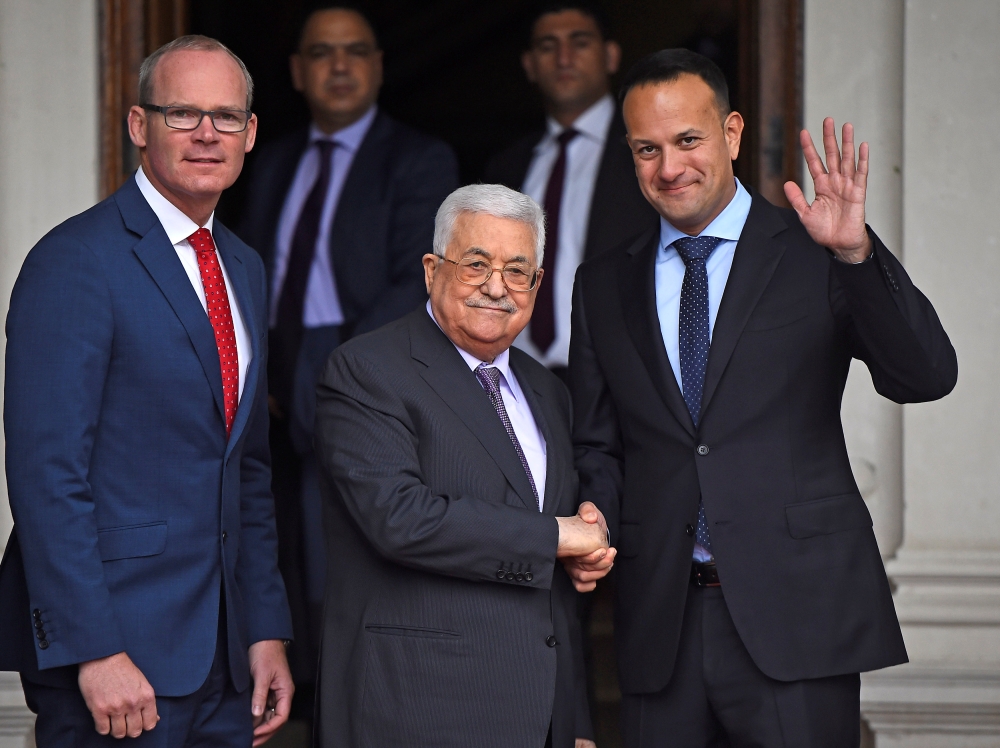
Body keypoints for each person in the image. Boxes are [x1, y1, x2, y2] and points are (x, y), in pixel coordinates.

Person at [569, 49, 957, 746]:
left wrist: (857, 256)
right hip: (663, 627)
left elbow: (925, 375)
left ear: (732, 133)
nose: (668, 168)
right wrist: (595, 504)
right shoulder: (602, 282)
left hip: (799, 616)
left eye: (688, 140)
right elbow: (599, 440)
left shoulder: (817, 249)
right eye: (646, 149)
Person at [0, 36, 294, 747]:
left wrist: (265, 631)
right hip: (117, 663)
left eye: (226, 117)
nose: (206, 134)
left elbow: (245, 466)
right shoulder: (75, 262)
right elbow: (47, 475)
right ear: (138, 125)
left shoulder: (243, 268)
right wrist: (92, 648)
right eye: (182, 113)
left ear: (250, 134)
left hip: (224, 665)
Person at [313, 184, 615, 747]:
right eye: (475, 264)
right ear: (432, 270)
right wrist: (557, 535)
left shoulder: (548, 392)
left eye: (517, 271)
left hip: (538, 717)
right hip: (416, 710)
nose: (496, 287)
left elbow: (554, 597)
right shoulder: (366, 370)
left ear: (537, 285)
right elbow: (400, 519)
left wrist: (572, 721)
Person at [237, 6, 459, 689]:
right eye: (323, 53)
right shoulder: (269, 161)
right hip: (270, 366)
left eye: (355, 50)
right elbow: (246, 272)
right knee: (273, 538)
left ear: (378, 66)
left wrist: (332, 368)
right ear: (298, 72)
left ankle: (353, 701)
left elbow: (415, 280)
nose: (339, 65)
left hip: (363, 365)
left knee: (344, 550)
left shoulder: (420, 158)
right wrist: (264, 364)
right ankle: (292, 690)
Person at [484, 2, 658, 379]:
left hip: (619, 378)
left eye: (579, 43)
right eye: (548, 46)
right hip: (513, 379)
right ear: (529, 64)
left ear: (611, 56)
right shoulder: (507, 166)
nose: (564, 58)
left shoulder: (648, 152)